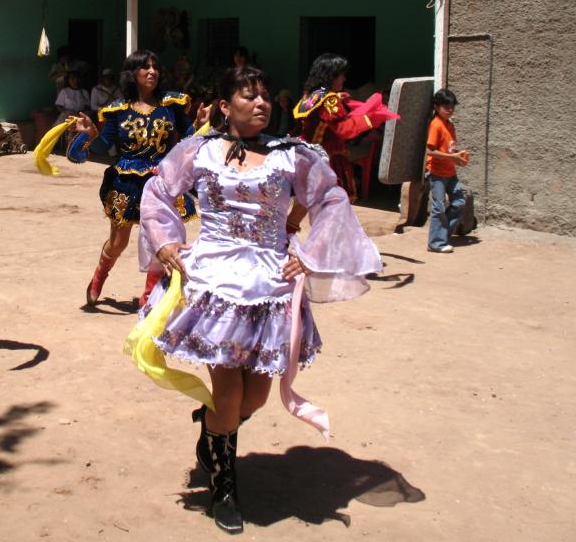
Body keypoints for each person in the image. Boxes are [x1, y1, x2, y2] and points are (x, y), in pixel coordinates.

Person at [135, 65, 381, 534]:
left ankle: (213, 428)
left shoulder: (292, 155)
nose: (261, 103)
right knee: (229, 392)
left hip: (270, 284)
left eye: (265, 95)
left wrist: (308, 252)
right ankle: (224, 488)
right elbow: (159, 191)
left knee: (257, 396)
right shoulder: (200, 151)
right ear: (224, 106)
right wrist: (165, 242)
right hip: (214, 281)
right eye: (249, 96)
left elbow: (331, 199)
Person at [69, 50, 206, 307]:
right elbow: (102, 146)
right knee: (118, 242)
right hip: (127, 184)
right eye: (145, 67)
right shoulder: (118, 110)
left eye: (155, 67)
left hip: (162, 182)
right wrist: (89, 135)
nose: (152, 71)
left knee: (161, 239)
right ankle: (99, 276)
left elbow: (189, 139)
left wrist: (199, 124)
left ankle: (149, 297)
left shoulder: (171, 105)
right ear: (132, 74)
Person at [293, 53, 397, 201]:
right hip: (326, 157)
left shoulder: (312, 95)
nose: (344, 78)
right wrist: (372, 118)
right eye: (340, 75)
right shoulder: (330, 99)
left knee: (304, 202)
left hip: (306, 153)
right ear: (330, 76)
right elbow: (344, 130)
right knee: (334, 202)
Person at [425, 88, 470, 253]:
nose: (450, 110)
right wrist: (453, 157)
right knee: (439, 207)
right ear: (436, 107)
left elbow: (449, 150)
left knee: (459, 202)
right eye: (446, 107)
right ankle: (435, 243)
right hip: (436, 172)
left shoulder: (450, 125)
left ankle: (442, 234)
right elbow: (430, 151)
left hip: (450, 172)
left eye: (452, 107)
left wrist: (458, 157)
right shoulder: (435, 125)